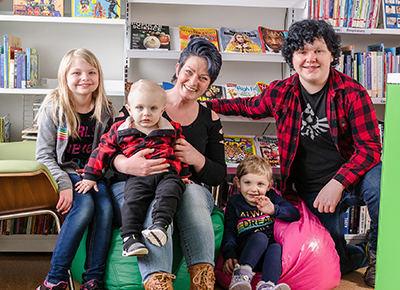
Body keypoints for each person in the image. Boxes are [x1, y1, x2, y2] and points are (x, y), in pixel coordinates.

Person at [206, 19, 381, 288]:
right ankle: (357, 255)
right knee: (330, 258)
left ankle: (378, 255)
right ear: (292, 57)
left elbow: (370, 148)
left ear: (332, 54)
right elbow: (247, 105)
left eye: (318, 51)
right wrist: (200, 103)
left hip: (351, 179)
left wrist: (338, 182)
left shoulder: (352, 92)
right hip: (311, 189)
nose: (310, 59)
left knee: (383, 185)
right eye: (302, 51)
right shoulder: (282, 92)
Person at [110, 37, 227, 289]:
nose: (193, 82)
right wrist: (126, 165)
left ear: (211, 84)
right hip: (133, 185)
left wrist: (196, 159)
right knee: (153, 199)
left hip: (182, 187)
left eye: (203, 78)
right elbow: (105, 150)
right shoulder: (142, 101)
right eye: (189, 72)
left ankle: (203, 283)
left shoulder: (210, 118)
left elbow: (218, 175)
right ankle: (159, 283)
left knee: (193, 192)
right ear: (177, 69)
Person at [75, 79, 191, 258]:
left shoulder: (172, 129)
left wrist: (183, 175)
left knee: (171, 192)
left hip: (166, 175)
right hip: (137, 178)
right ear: (129, 109)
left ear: (162, 110)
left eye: (153, 109)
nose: (146, 114)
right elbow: (102, 151)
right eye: (140, 108)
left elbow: (179, 153)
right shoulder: (120, 130)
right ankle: (130, 238)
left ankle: (159, 225)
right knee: (133, 201)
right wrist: (90, 176)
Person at [35, 48, 114, 290]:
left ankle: (93, 279)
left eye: (92, 72)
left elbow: (109, 153)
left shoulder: (106, 111)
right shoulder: (53, 109)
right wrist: (65, 184)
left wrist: (93, 175)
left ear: (99, 76)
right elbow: (44, 156)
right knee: (85, 207)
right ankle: (54, 278)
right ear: (65, 76)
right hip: (64, 174)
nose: (85, 78)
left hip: (94, 175)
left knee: (106, 207)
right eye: (77, 72)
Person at [222, 155, 300, 290]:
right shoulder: (234, 202)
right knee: (260, 236)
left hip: (267, 257)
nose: (254, 189)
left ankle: (267, 285)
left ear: (269, 185)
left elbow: (294, 213)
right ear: (237, 182)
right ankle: (240, 277)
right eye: (247, 183)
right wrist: (230, 254)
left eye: (260, 184)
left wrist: (274, 210)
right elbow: (229, 231)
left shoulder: (271, 197)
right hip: (246, 252)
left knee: (276, 247)